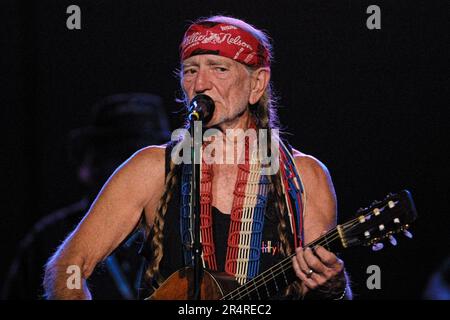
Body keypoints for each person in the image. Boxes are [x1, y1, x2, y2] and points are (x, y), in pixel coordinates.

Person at [43, 16, 352, 300]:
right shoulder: (151, 169)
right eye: (191, 70)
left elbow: (325, 286)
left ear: (257, 84)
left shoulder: (304, 178)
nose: (200, 83)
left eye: (219, 68)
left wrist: (335, 288)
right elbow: (67, 265)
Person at [2, 93, 170, 299]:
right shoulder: (48, 237)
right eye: (117, 156)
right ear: (89, 163)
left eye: (139, 156)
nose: (127, 171)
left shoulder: (183, 226)